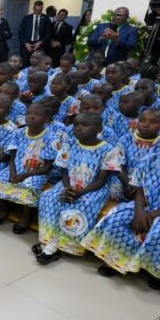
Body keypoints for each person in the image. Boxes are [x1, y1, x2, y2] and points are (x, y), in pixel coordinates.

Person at [84, 123, 160, 288]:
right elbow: (140, 189)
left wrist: (152, 215)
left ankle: (156, 272)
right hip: (146, 206)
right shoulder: (150, 159)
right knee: (116, 218)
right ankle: (116, 259)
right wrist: (140, 211)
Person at [34, 112, 123, 264]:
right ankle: (49, 240)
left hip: (93, 188)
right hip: (69, 183)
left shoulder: (109, 150)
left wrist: (79, 193)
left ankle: (64, 244)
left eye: (84, 125)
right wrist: (68, 188)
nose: (78, 128)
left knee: (83, 204)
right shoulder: (69, 144)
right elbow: (64, 170)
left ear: (99, 128)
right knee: (49, 197)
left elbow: (101, 180)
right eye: (76, 125)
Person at [0, 101, 60, 233]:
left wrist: (25, 175)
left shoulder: (51, 138)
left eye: (37, 114)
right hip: (16, 168)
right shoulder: (18, 133)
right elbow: (12, 156)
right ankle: (3, 208)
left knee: (29, 187)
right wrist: (13, 172)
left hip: (36, 173)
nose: (31, 116)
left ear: (46, 119)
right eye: (29, 113)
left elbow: (47, 167)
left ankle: (26, 216)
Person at [18, 0, 52, 65]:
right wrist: (25, 43)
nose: (37, 12)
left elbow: (49, 33)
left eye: (39, 10)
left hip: (40, 46)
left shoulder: (46, 18)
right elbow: (20, 32)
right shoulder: (26, 18)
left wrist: (41, 42)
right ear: (33, 8)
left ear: (42, 9)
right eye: (36, 10)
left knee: (39, 65)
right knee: (25, 64)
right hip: (26, 47)